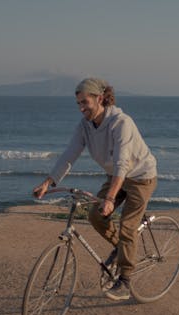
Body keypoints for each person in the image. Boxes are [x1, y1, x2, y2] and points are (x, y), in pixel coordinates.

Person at [33, 77, 157, 301]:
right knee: (95, 215)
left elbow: (122, 164)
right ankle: (122, 249)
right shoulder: (84, 126)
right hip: (115, 177)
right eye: (78, 103)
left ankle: (126, 281)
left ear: (100, 99)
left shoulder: (121, 123)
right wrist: (49, 182)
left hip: (140, 177)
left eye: (85, 103)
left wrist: (110, 199)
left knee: (128, 227)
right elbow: (69, 154)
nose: (81, 108)